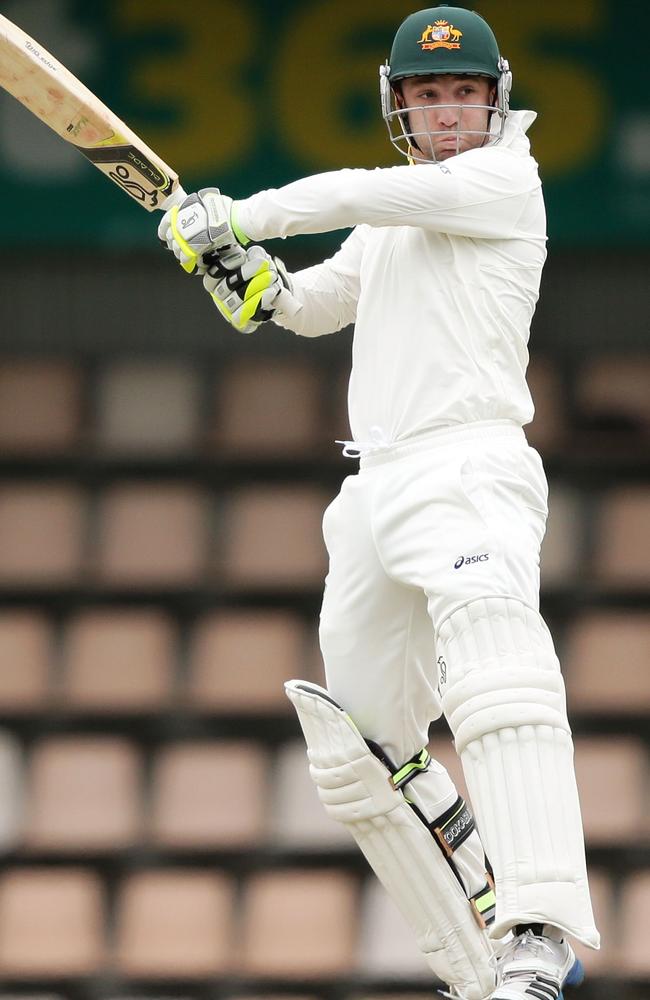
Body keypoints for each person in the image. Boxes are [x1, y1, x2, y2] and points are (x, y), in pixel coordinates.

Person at [158, 6, 599, 998]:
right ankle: (473, 934)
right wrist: (249, 279)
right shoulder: (390, 223)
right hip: (375, 482)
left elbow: (353, 188)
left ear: (493, 101)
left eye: (461, 94)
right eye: (426, 95)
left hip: (468, 464)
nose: (445, 113)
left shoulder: (496, 182)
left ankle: (537, 925)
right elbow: (314, 306)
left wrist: (241, 216)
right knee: (358, 744)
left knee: (495, 678)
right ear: (398, 104)